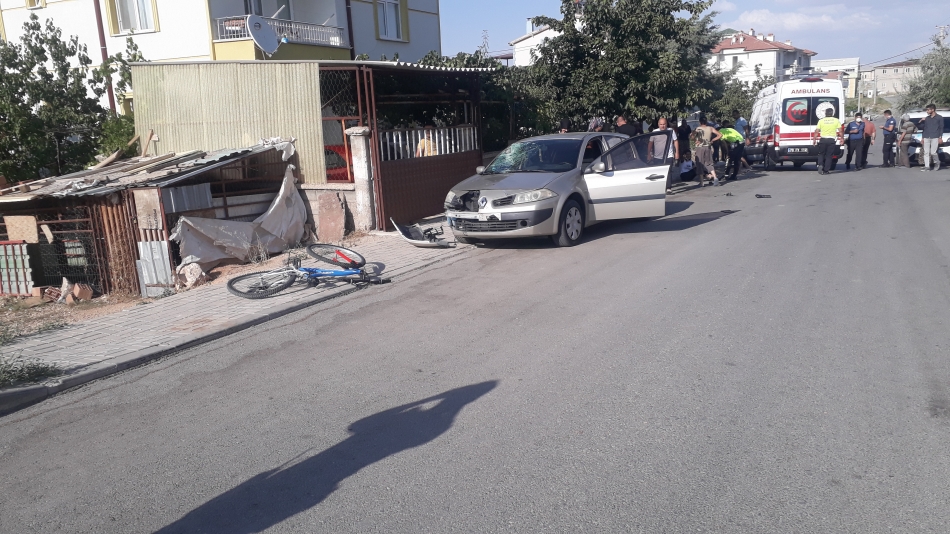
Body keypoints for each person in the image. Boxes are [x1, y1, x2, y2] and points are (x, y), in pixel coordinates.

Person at [647, 117, 679, 194]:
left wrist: (677, 152)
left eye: (664, 124)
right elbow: (650, 143)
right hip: (657, 156)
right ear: (658, 124)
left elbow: (675, 141)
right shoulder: (654, 132)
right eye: (661, 124)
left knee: (668, 171)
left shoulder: (671, 131)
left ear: (666, 124)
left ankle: (668, 188)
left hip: (669, 155)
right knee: (658, 172)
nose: (662, 126)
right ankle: (659, 187)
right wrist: (649, 154)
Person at [692, 116, 722, 186]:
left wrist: (695, 140)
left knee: (700, 163)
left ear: (700, 122)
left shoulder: (698, 129)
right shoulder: (710, 128)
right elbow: (720, 135)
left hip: (700, 147)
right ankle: (715, 177)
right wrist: (712, 140)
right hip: (708, 147)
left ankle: (701, 182)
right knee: (709, 163)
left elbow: (692, 136)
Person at [812, 107, 842, 175]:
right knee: (829, 155)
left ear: (825, 113)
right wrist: (842, 138)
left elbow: (817, 131)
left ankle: (820, 164)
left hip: (823, 139)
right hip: (831, 140)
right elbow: (840, 131)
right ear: (832, 113)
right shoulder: (836, 120)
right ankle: (826, 170)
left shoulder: (821, 121)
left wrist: (814, 139)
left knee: (821, 153)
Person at [918, 104, 943, 172]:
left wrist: (940, 137)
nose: (927, 111)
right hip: (926, 136)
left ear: (933, 110)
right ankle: (927, 167)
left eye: (928, 110)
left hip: (935, 137)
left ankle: (937, 162)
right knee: (926, 152)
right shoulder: (927, 118)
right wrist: (923, 138)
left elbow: (941, 128)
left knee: (933, 152)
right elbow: (925, 128)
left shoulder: (939, 118)